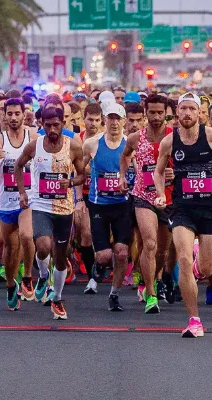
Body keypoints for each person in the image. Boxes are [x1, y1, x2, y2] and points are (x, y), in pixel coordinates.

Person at [153, 92, 212, 338]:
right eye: (184, 109)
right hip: (182, 207)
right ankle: (194, 320)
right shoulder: (169, 142)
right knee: (182, 260)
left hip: (210, 208)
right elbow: (158, 172)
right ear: (177, 113)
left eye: (193, 109)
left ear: (199, 113)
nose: (188, 114)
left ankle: (196, 255)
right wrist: (161, 194)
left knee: (205, 269)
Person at [15, 106, 85, 320]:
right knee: (44, 247)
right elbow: (18, 166)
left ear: (63, 124)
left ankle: (57, 297)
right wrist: (22, 193)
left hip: (64, 208)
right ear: (41, 125)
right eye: (48, 125)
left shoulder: (73, 146)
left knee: (61, 256)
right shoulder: (34, 146)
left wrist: (71, 182)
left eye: (56, 125)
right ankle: (44, 275)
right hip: (41, 206)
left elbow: (82, 175)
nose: (52, 129)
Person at [120, 94, 175, 312]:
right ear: (145, 113)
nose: (156, 117)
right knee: (149, 244)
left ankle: (155, 278)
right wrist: (123, 176)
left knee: (163, 250)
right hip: (143, 196)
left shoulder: (174, 137)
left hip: (169, 198)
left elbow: (186, 163)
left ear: (166, 113)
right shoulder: (136, 138)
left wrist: (175, 173)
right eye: (151, 112)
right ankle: (151, 294)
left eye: (160, 112)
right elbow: (125, 156)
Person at [0, 98, 36, 309]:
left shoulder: (33, 137)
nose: (13, 118)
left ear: (24, 115)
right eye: (9, 114)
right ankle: (12, 285)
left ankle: (28, 276)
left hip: (27, 199)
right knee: (11, 249)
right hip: (5, 202)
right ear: (3, 116)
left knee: (26, 235)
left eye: (17, 113)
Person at [81, 103, 131, 311]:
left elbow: (139, 171)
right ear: (105, 120)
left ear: (124, 121)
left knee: (121, 253)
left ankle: (114, 294)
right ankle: (97, 265)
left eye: (118, 118)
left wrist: (128, 180)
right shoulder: (92, 144)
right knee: (104, 256)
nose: (114, 122)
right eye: (110, 118)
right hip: (99, 205)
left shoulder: (130, 144)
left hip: (122, 205)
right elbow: (80, 167)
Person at [76, 103, 102, 294]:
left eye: (96, 120)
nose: (93, 124)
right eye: (90, 120)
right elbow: (75, 171)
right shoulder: (77, 141)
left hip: (105, 197)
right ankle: (92, 278)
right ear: (83, 120)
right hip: (84, 195)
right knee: (85, 236)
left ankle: (101, 265)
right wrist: (78, 199)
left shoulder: (106, 140)